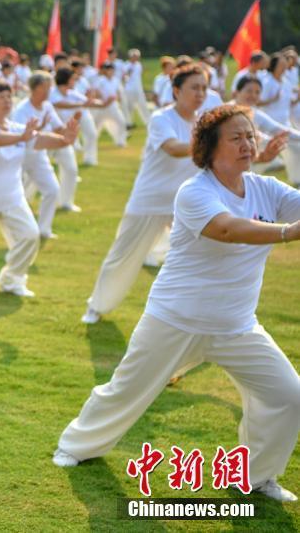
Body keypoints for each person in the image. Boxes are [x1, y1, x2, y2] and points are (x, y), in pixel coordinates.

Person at [55, 104, 300, 503]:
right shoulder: (194, 191)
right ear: (210, 147)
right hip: (175, 319)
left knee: (287, 396)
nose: (247, 144)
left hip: (236, 325)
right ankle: (76, 445)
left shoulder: (265, 188)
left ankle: (256, 477)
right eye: (235, 137)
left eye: (249, 136)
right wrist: (287, 233)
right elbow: (226, 228)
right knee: (125, 390)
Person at [81, 64, 283, 324]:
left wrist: (258, 154)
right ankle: (96, 306)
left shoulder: (206, 124)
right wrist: (209, 142)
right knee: (123, 257)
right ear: (176, 91)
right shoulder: (161, 118)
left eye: (204, 88)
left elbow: (224, 157)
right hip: (151, 200)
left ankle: (200, 320)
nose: (200, 93)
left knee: (207, 259)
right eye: (194, 88)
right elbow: (173, 148)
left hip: (192, 203)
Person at [0, 82, 78, 297]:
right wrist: (22, 137)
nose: (7, 101)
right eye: (1, 97)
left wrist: (64, 140)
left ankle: (12, 279)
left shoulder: (17, 128)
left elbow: (40, 139)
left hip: (12, 198)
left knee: (30, 236)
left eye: (9, 96)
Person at [15, 72, 81, 239]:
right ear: (35, 88)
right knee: (15, 195)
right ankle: (19, 229)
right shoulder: (21, 110)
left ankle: (43, 230)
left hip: (39, 156)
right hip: (19, 156)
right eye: (45, 87)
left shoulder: (47, 106)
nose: (48, 91)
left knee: (52, 190)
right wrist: (40, 128)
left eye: (49, 87)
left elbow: (58, 128)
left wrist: (70, 129)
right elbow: (21, 137)